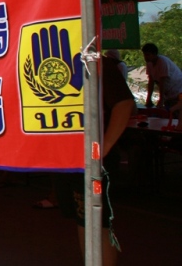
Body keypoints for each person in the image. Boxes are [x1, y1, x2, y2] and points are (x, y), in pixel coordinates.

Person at [57, 52, 135, 266]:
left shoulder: (96, 61)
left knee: (97, 224)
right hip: (68, 161)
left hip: (92, 162)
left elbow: (124, 103)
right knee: (83, 219)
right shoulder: (53, 62)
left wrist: (102, 149)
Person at [141, 43, 182, 109]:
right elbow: (151, 81)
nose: (145, 57)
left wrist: (161, 100)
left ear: (154, 54)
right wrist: (148, 99)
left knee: (176, 111)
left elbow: (162, 82)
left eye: (148, 55)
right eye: (144, 55)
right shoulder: (149, 63)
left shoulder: (162, 62)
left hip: (178, 90)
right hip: (169, 94)